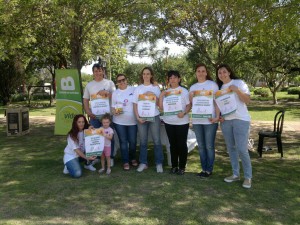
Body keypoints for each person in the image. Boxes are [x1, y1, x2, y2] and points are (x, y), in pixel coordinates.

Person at [216, 64, 252, 189]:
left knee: (242, 149)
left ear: (229, 72)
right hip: (226, 122)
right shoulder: (219, 89)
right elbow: (219, 106)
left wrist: (236, 90)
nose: (222, 74)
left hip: (241, 120)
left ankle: (248, 177)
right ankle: (235, 174)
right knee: (231, 149)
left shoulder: (239, 82)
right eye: (219, 73)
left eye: (224, 72)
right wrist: (219, 116)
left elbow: (247, 100)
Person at [189, 63, 219, 178]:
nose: (200, 73)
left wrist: (217, 117)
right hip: (197, 121)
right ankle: (203, 169)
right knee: (201, 146)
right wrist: (191, 97)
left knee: (209, 146)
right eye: (198, 71)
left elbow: (217, 102)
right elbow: (192, 104)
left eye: (203, 71)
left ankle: (209, 170)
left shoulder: (213, 85)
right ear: (196, 73)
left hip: (210, 120)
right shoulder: (193, 87)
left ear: (206, 73)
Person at [83, 63, 116, 166]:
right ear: (93, 73)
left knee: (109, 136)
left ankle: (110, 157)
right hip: (94, 116)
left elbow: (116, 96)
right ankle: (97, 157)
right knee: (95, 136)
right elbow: (85, 99)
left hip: (107, 116)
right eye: (95, 71)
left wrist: (107, 93)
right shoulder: (89, 85)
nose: (98, 73)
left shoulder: (109, 83)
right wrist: (88, 111)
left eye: (99, 70)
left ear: (103, 71)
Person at [159, 70, 191, 175]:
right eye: (170, 78)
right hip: (169, 122)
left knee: (181, 145)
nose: (172, 79)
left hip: (182, 122)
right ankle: (174, 166)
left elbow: (189, 105)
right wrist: (161, 96)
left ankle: (182, 167)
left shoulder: (184, 91)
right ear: (168, 80)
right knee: (172, 145)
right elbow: (161, 108)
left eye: (174, 77)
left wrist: (184, 112)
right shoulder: (166, 92)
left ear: (179, 79)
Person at [133, 67, 164, 173]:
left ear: (151, 75)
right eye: (144, 74)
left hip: (154, 116)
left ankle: (159, 163)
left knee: (157, 140)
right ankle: (143, 163)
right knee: (143, 141)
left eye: (148, 74)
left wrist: (154, 96)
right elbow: (135, 104)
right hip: (141, 117)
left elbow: (160, 105)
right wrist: (137, 117)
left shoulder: (156, 88)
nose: (146, 75)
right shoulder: (138, 89)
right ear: (142, 76)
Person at [111, 74, 138, 171]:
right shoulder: (115, 93)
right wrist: (114, 111)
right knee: (123, 142)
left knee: (133, 141)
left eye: (123, 79)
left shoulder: (134, 90)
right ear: (117, 83)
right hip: (119, 122)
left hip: (133, 122)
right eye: (119, 81)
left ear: (126, 80)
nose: (122, 82)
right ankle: (126, 161)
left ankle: (133, 158)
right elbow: (113, 107)